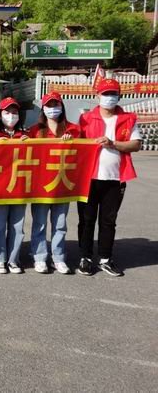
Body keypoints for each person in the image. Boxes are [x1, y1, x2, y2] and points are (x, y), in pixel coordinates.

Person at [77, 78, 141, 276]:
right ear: (97, 95)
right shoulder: (86, 118)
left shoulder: (128, 119)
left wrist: (113, 143)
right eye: (105, 93)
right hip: (89, 178)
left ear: (119, 96)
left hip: (115, 178)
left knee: (108, 220)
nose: (109, 97)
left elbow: (136, 144)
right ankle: (85, 257)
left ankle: (105, 258)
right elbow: (76, 144)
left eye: (113, 94)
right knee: (86, 219)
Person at [28, 91, 80, 274]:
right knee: (39, 223)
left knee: (60, 224)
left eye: (55, 105)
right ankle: (40, 257)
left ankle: (59, 257)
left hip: (62, 184)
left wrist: (72, 142)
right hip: (41, 185)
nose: (52, 109)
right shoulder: (34, 131)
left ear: (61, 106)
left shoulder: (73, 129)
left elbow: (82, 153)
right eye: (49, 105)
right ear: (43, 108)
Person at [0, 97, 28, 274]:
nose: (11, 116)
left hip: (19, 187)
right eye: (7, 112)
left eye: (14, 112)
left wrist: (29, 143)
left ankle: (14, 259)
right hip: (0, 188)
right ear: (0, 114)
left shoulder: (25, 135)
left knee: (17, 226)